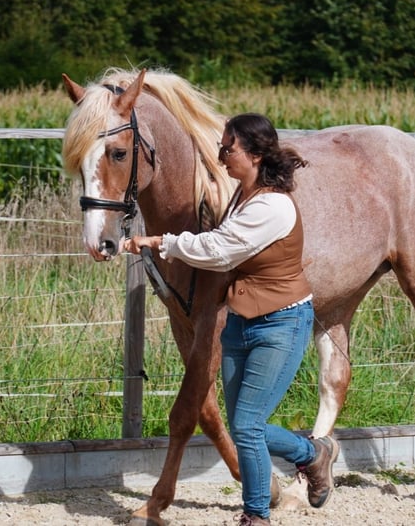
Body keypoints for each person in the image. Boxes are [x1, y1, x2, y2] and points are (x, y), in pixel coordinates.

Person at [124, 113, 339, 525]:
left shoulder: (274, 205)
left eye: (228, 149)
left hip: (280, 324)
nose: (221, 156)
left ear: (255, 155)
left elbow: (220, 250)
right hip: (240, 324)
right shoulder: (243, 196)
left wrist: (160, 242)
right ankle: (314, 453)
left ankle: (255, 515)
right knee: (247, 428)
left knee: (247, 425)